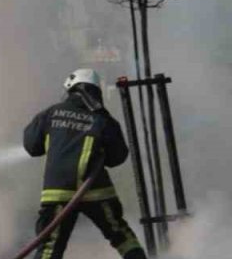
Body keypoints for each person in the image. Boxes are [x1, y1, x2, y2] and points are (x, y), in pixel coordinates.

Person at [23, 68, 146, 259]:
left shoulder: (50, 114)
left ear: (71, 89)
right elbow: (117, 157)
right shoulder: (102, 120)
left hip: (58, 191)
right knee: (121, 236)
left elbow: (32, 146)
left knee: (50, 246)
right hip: (97, 190)